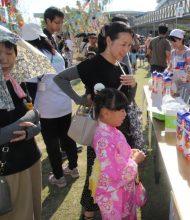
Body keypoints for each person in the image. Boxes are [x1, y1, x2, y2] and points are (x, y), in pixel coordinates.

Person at [54, 21, 137, 220]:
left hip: (122, 130)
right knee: (97, 174)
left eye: (129, 45)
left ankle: (116, 207)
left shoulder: (123, 66)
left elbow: (128, 102)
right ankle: (89, 214)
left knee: (120, 173)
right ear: (109, 40)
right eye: (122, 44)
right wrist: (80, 99)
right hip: (100, 134)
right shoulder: (91, 65)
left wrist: (133, 84)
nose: (126, 50)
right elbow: (60, 78)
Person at [21, 23, 79, 188]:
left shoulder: (32, 57)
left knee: (52, 144)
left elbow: (31, 88)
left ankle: (59, 177)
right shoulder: (56, 54)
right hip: (64, 104)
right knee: (68, 138)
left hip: (47, 109)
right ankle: (73, 168)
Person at [0, 40, 41, 220]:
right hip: (9, 166)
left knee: (33, 209)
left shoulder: (17, 82)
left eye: (9, 54)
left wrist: (29, 131)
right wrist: (25, 121)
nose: (4, 59)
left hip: (31, 157)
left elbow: (37, 117)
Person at [92, 88, 146, 219]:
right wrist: (135, 161)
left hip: (122, 191)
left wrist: (129, 153)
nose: (125, 114)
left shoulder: (111, 130)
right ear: (105, 113)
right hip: (113, 196)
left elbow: (117, 156)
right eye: (121, 111)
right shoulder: (103, 140)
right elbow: (114, 174)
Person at [167, 28, 190, 97]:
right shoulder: (173, 52)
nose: (172, 43)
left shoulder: (188, 52)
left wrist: (183, 72)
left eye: (174, 41)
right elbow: (171, 65)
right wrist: (167, 71)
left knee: (183, 105)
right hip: (174, 84)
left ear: (181, 40)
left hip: (185, 85)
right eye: (171, 41)